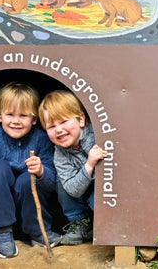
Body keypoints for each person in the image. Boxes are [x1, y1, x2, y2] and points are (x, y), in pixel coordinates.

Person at [0, 82, 61, 259]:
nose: (16, 121)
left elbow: (54, 183)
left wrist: (41, 171)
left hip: (31, 215)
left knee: (27, 178)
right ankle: (3, 232)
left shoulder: (41, 139)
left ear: (34, 119)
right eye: (10, 114)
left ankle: (38, 232)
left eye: (23, 115)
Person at [38, 90, 108, 245]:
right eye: (51, 126)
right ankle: (80, 222)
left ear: (81, 120)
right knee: (61, 182)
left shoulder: (98, 134)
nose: (58, 130)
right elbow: (72, 189)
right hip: (79, 191)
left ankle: (104, 223)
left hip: (104, 189)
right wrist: (89, 164)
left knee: (96, 201)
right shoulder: (59, 154)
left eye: (63, 122)